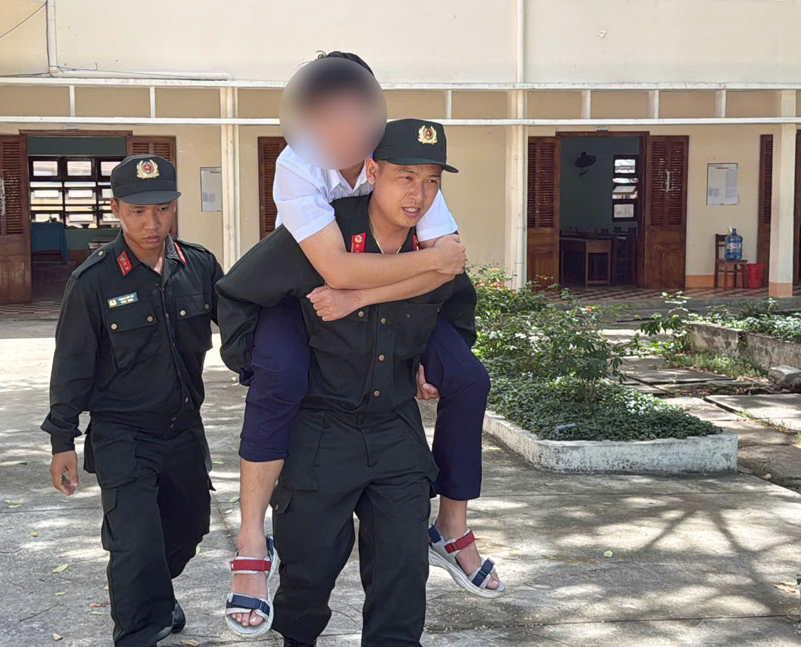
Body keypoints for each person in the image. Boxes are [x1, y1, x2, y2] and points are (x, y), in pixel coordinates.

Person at [229, 51, 502, 635]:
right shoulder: (300, 169)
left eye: (428, 182)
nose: (419, 194)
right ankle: (251, 535)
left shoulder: (411, 176)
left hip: (394, 430)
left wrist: (407, 328)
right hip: (321, 429)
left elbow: (448, 269)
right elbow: (297, 276)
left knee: (403, 587)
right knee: (305, 587)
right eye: (407, 178)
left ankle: (450, 526)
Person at [41, 155, 223, 647]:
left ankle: (155, 590)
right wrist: (62, 440)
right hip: (123, 433)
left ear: (175, 208)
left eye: (162, 209)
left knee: (190, 528)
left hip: (183, 429)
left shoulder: (199, 266)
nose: (151, 223)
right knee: (137, 545)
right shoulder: (94, 281)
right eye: (139, 212)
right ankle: (140, 626)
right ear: (117, 209)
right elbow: (72, 366)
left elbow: (243, 329)